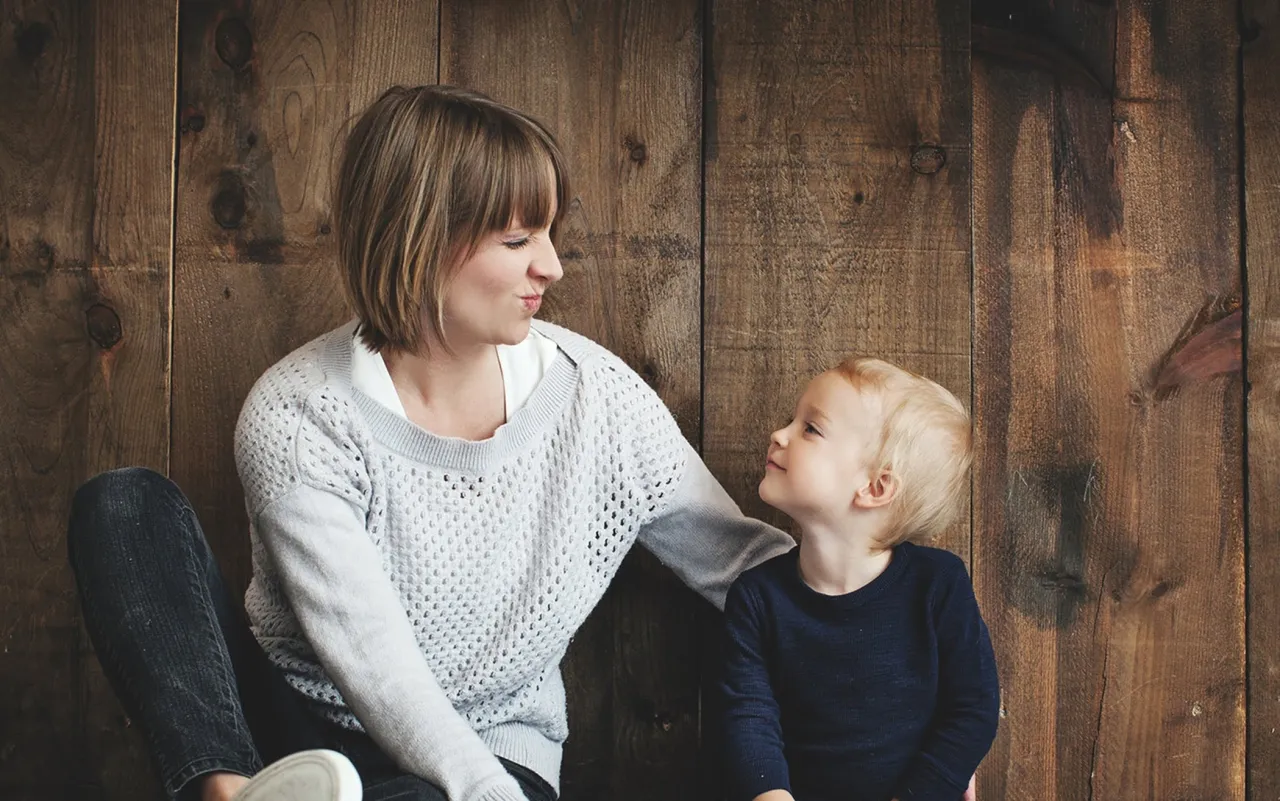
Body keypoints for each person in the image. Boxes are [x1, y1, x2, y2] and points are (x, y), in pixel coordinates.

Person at [66, 84, 795, 801]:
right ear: (420, 239)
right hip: (294, 734)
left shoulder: (597, 399)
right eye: (518, 239)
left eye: (548, 234)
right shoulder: (297, 412)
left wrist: (904, 601)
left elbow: (741, 563)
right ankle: (227, 792)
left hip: (490, 753)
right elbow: (369, 658)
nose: (552, 266)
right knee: (123, 506)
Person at [718, 358, 999, 801]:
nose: (779, 434)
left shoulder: (937, 585)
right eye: (793, 420)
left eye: (810, 428)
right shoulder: (756, 598)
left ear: (875, 487)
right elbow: (748, 716)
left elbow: (973, 709)